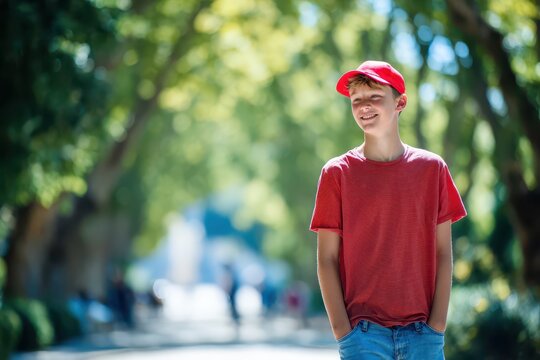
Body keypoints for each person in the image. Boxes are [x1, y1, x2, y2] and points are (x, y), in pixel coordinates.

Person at [310, 60, 467, 360]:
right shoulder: (336, 173)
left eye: (374, 97)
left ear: (400, 102)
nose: (364, 106)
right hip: (362, 336)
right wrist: (344, 331)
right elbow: (327, 259)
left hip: (424, 335)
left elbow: (444, 253)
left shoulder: (432, 169)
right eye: (356, 100)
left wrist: (437, 325)